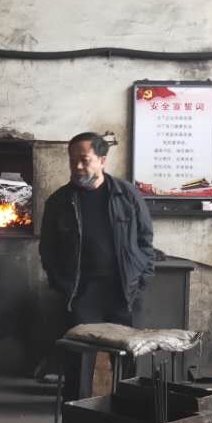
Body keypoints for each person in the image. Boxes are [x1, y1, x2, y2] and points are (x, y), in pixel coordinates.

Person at [39, 132, 156, 398]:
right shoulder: (59, 202)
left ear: (102, 160)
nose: (78, 166)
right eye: (72, 160)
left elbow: (145, 240)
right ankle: (77, 416)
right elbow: (48, 250)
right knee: (79, 360)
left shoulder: (127, 195)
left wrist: (141, 279)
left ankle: (125, 413)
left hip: (124, 291)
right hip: (82, 294)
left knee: (127, 360)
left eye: (84, 160)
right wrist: (62, 285)